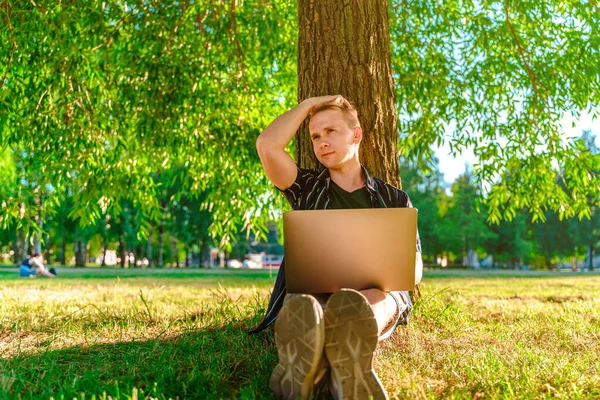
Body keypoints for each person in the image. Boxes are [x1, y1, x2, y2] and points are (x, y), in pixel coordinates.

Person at [251, 95, 422, 399]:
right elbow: (267, 145)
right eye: (316, 136)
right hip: (314, 292)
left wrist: (397, 270)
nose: (322, 142)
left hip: (372, 293)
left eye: (331, 131)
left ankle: (317, 365)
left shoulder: (394, 199)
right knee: (306, 305)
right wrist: (308, 105)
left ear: (356, 135)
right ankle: (334, 366)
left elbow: (415, 268)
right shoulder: (305, 188)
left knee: (370, 300)